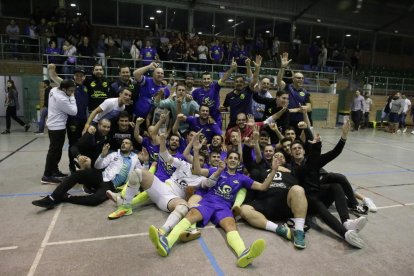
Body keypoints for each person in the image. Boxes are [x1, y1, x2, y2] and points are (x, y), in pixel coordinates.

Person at [148, 144, 280, 268]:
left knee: (230, 225)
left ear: (239, 162)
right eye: (231, 158)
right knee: (191, 214)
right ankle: (167, 243)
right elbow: (197, 170)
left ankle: (242, 254)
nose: (233, 160)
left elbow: (263, 187)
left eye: (236, 158)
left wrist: (273, 171)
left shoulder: (242, 178)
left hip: (224, 207)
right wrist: (196, 150)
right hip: (209, 201)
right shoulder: (215, 170)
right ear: (226, 160)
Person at [290, 120, 368, 248]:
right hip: (307, 202)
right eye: (294, 149)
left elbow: (335, 152)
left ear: (304, 151)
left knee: (335, 186)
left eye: (299, 148)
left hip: (319, 195)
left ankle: (346, 222)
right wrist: (315, 146)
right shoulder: (292, 167)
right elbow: (305, 169)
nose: (297, 150)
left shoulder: (313, 161)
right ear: (291, 153)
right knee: (315, 201)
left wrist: (344, 135)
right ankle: (345, 234)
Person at [32, 138, 146, 209]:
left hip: (111, 186)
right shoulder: (114, 154)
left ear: (131, 147)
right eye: (123, 143)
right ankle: (52, 198)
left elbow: (141, 174)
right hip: (101, 176)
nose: (124, 144)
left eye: (127, 143)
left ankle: (67, 197)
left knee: (94, 200)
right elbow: (97, 166)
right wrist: (102, 155)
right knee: (77, 174)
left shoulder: (135, 159)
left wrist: (145, 161)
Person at [47, 64, 89, 173]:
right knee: (73, 143)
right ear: (74, 76)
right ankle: (72, 165)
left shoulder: (85, 88)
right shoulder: (69, 86)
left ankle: (81, 164)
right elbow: (55, 77)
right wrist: (52, 69)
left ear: (84, 77)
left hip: (83, 121)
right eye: (77, 75)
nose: (79, 77)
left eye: (81, 75)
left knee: (83, 143)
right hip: (72, 122)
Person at [41, 80, 78, 184]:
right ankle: (46, 175)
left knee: (57, 151)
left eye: (73, 91)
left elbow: (59, 81)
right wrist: (72, 97)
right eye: (70, 91)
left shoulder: (54, 89)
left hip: (54, 125)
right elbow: (74, 111)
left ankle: (54, 171)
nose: (72, 92)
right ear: (64, 89)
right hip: (57, 127)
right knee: (53, 152)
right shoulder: (62, 98)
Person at [192, 59, 237, 128]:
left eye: (208, 79)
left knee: (217, 137)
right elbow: (191, 103)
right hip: (203, 119)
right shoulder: (196, 92)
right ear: (201, 80)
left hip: (216, 118)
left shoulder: (215, 87)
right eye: (204, 79)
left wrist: (231, 68)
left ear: (211, 80)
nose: (206, 81)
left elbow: (224, 78)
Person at [277, 52, 312, 133]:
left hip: (300, 122)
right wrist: (282, 67)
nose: (301, 80)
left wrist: (296, 110)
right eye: (298, 78)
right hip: (286, 121)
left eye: (302, 78)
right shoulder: (287, 87)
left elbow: (309, 108)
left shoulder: (305, 92)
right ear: (293, 79)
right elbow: (279, 81)